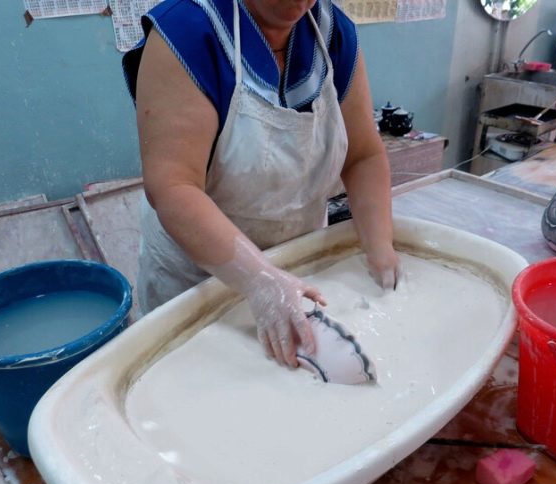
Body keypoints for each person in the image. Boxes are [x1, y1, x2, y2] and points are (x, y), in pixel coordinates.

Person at [123, 0, 400, 370]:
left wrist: (380, 247)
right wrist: (261, 280)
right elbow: (173, 187)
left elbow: (363, 156)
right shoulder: (186, 32)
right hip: (197, 281)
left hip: (299, 266)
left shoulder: (333, 33)